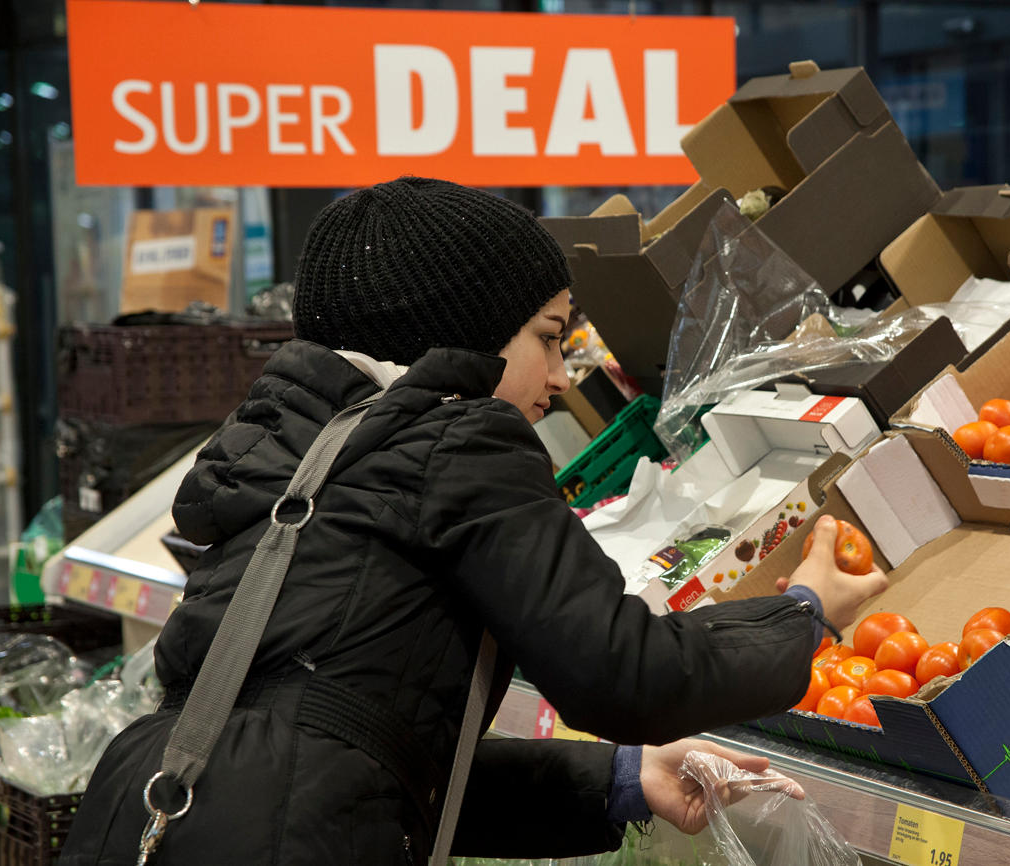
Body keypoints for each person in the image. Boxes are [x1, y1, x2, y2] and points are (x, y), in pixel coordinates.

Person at [60, 176, 887, 865]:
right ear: (457, 337)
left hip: (144, 817)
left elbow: (362, 752)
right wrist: (801, 614)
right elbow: (627, 673)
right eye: (548, 336)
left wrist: (622, 781)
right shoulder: (454, 437)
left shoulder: (294, 451)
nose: (562, 376)